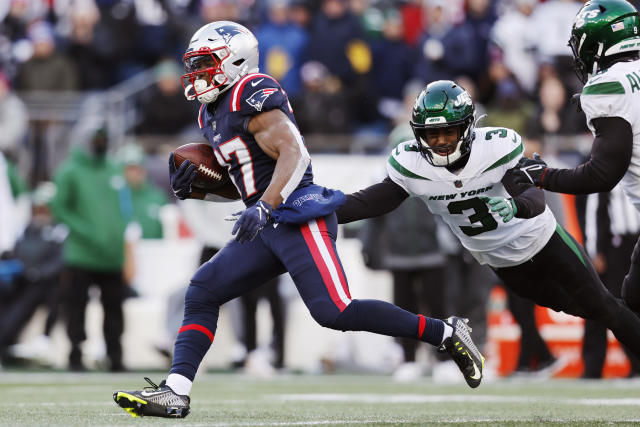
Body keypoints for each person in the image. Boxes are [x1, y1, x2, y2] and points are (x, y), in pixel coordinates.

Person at [112, 21, 485, 419]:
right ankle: (175, 391)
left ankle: (446, 333)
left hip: (297, 213)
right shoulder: (211, 112)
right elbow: (249, 179)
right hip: (265, 219)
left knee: (335, 312)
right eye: (195, 65)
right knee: (202, 290)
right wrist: (205, 186)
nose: (197, 73)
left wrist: (266, 206)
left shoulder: (251, 92)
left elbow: (295, 154)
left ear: (235, 60)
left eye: (205, 63)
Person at [334, 79, 640, 385]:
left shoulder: (495, 147)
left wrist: (517, 207)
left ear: (467, 128)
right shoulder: (413, 165)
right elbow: (368, 203)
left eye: (448, 131)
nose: (440, 141)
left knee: (605, 307)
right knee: (589, 310)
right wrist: (323, 211)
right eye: (432, 133)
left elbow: (534, 195)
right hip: (504, 263)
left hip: (545, 241)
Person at [512, 0, 640, 318]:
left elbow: (602, 175)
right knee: (633, 303)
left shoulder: (609, 87)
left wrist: (542, 175)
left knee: (632, 308)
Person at [50, 127, 128, 372]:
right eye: (96, 139)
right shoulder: (70, 171)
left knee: (114, 308)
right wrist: (87, 232)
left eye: (104, 139)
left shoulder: (114, 169)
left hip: (112, 256)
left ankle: (115, 357)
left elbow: (123, 206)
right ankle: (75, 355)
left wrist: (119, 234)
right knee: (76, 307)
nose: (100, 143)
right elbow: (60, 208)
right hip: (81, 254)